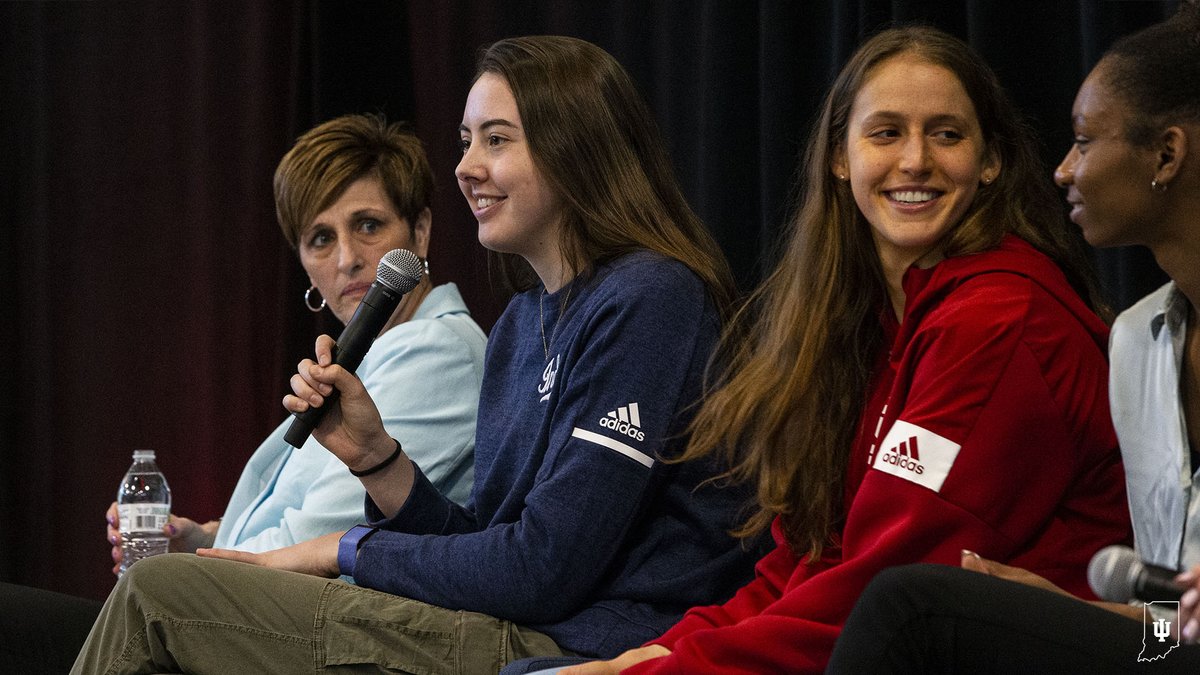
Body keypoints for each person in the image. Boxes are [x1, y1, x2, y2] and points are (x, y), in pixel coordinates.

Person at [70, 35, 759, 675]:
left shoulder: (652, 297)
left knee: (157, 594)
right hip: (517, 620)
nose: (465, 168)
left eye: (496, 140)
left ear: (574, 147)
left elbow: (542, 571)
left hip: (584, 646)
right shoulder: (523, 322)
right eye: (465, 141)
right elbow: (487, 544)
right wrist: (379, 461)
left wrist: (337, 549)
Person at [518, 24, 1132, 675]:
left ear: (991, 161)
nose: (916, 160)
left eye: (947, 133)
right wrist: (661, 651)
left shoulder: (1000, 319)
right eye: (886, 132)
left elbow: (887, 590)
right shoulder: (868, 322)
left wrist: (658, 671)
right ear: (840, 156)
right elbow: (809, 560)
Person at [0, 113, 487, 675]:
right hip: (252, 612)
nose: (347, 258)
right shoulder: (367, 355)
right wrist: (199, 538)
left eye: (369, 225)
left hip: (326, 638)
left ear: (420, 231)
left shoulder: (437, 351)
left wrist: (193, 569)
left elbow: (314, 542)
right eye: (320, 239)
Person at [826, 4, 1200, 672]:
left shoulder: (1005, 313)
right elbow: (1171, 633)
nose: (1061, 171)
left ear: (1166, 154)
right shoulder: (1137, 342)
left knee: (910, 604)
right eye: (885, 132)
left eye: (1084, 142)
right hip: (1174, 652)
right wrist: (1065, 609)